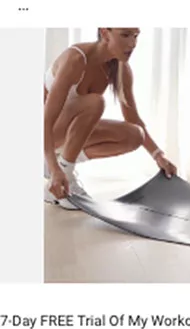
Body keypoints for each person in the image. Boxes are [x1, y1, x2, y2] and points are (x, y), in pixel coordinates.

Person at [44, 28, 177, 210]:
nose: (132, 44)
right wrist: (55, 169)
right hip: (44, 134)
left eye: (135, 36)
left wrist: (158, 155)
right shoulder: (75, 59)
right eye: (125, 35)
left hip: (63, 136)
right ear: (105, 33)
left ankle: (61, 166)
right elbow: (45, 120)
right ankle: (60, 173)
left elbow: (133, 118)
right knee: (94, 102)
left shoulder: (121, 69)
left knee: (134, 135)